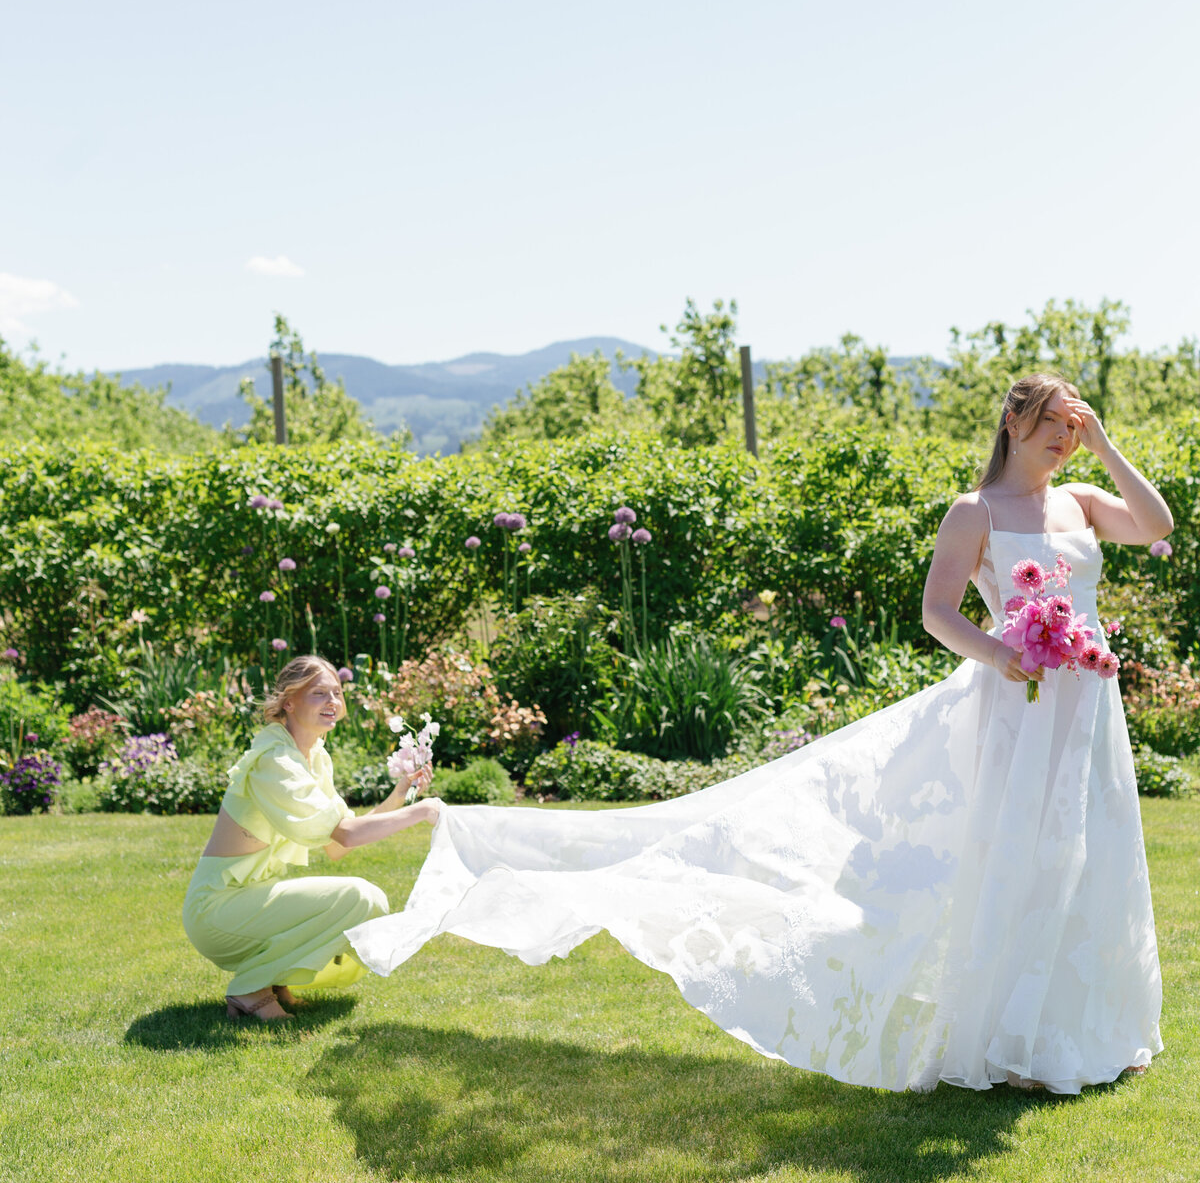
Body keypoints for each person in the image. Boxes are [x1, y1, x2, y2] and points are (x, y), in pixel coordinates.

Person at [346, 374, 1170, 1093]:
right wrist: (1001, 654)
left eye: (1076, 424)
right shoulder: (976, 510)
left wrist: (1106, 447)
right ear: (1013, 425)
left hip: (1085, 708)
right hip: (1012, 704)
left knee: (1090, 852)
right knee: (1016, 859)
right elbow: (937, 613)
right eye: (1056, 423)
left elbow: (1158, 523)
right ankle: (1013, 1042)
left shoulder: (1083, 502)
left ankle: (1088, 1032)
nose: (1067, 437)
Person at [183, 655, 440, 1021]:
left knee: (365, 901)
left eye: (336, 692)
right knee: (362, 897)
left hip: (249, 901)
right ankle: (250, 988)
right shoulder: (275, 761)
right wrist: (423, 811)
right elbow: (346, 837)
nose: (333, 701)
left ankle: (273, 980)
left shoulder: (313, 756)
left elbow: (335, 846)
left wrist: (399, 796)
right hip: (216, 912)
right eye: (319, 693)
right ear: (289, 701)